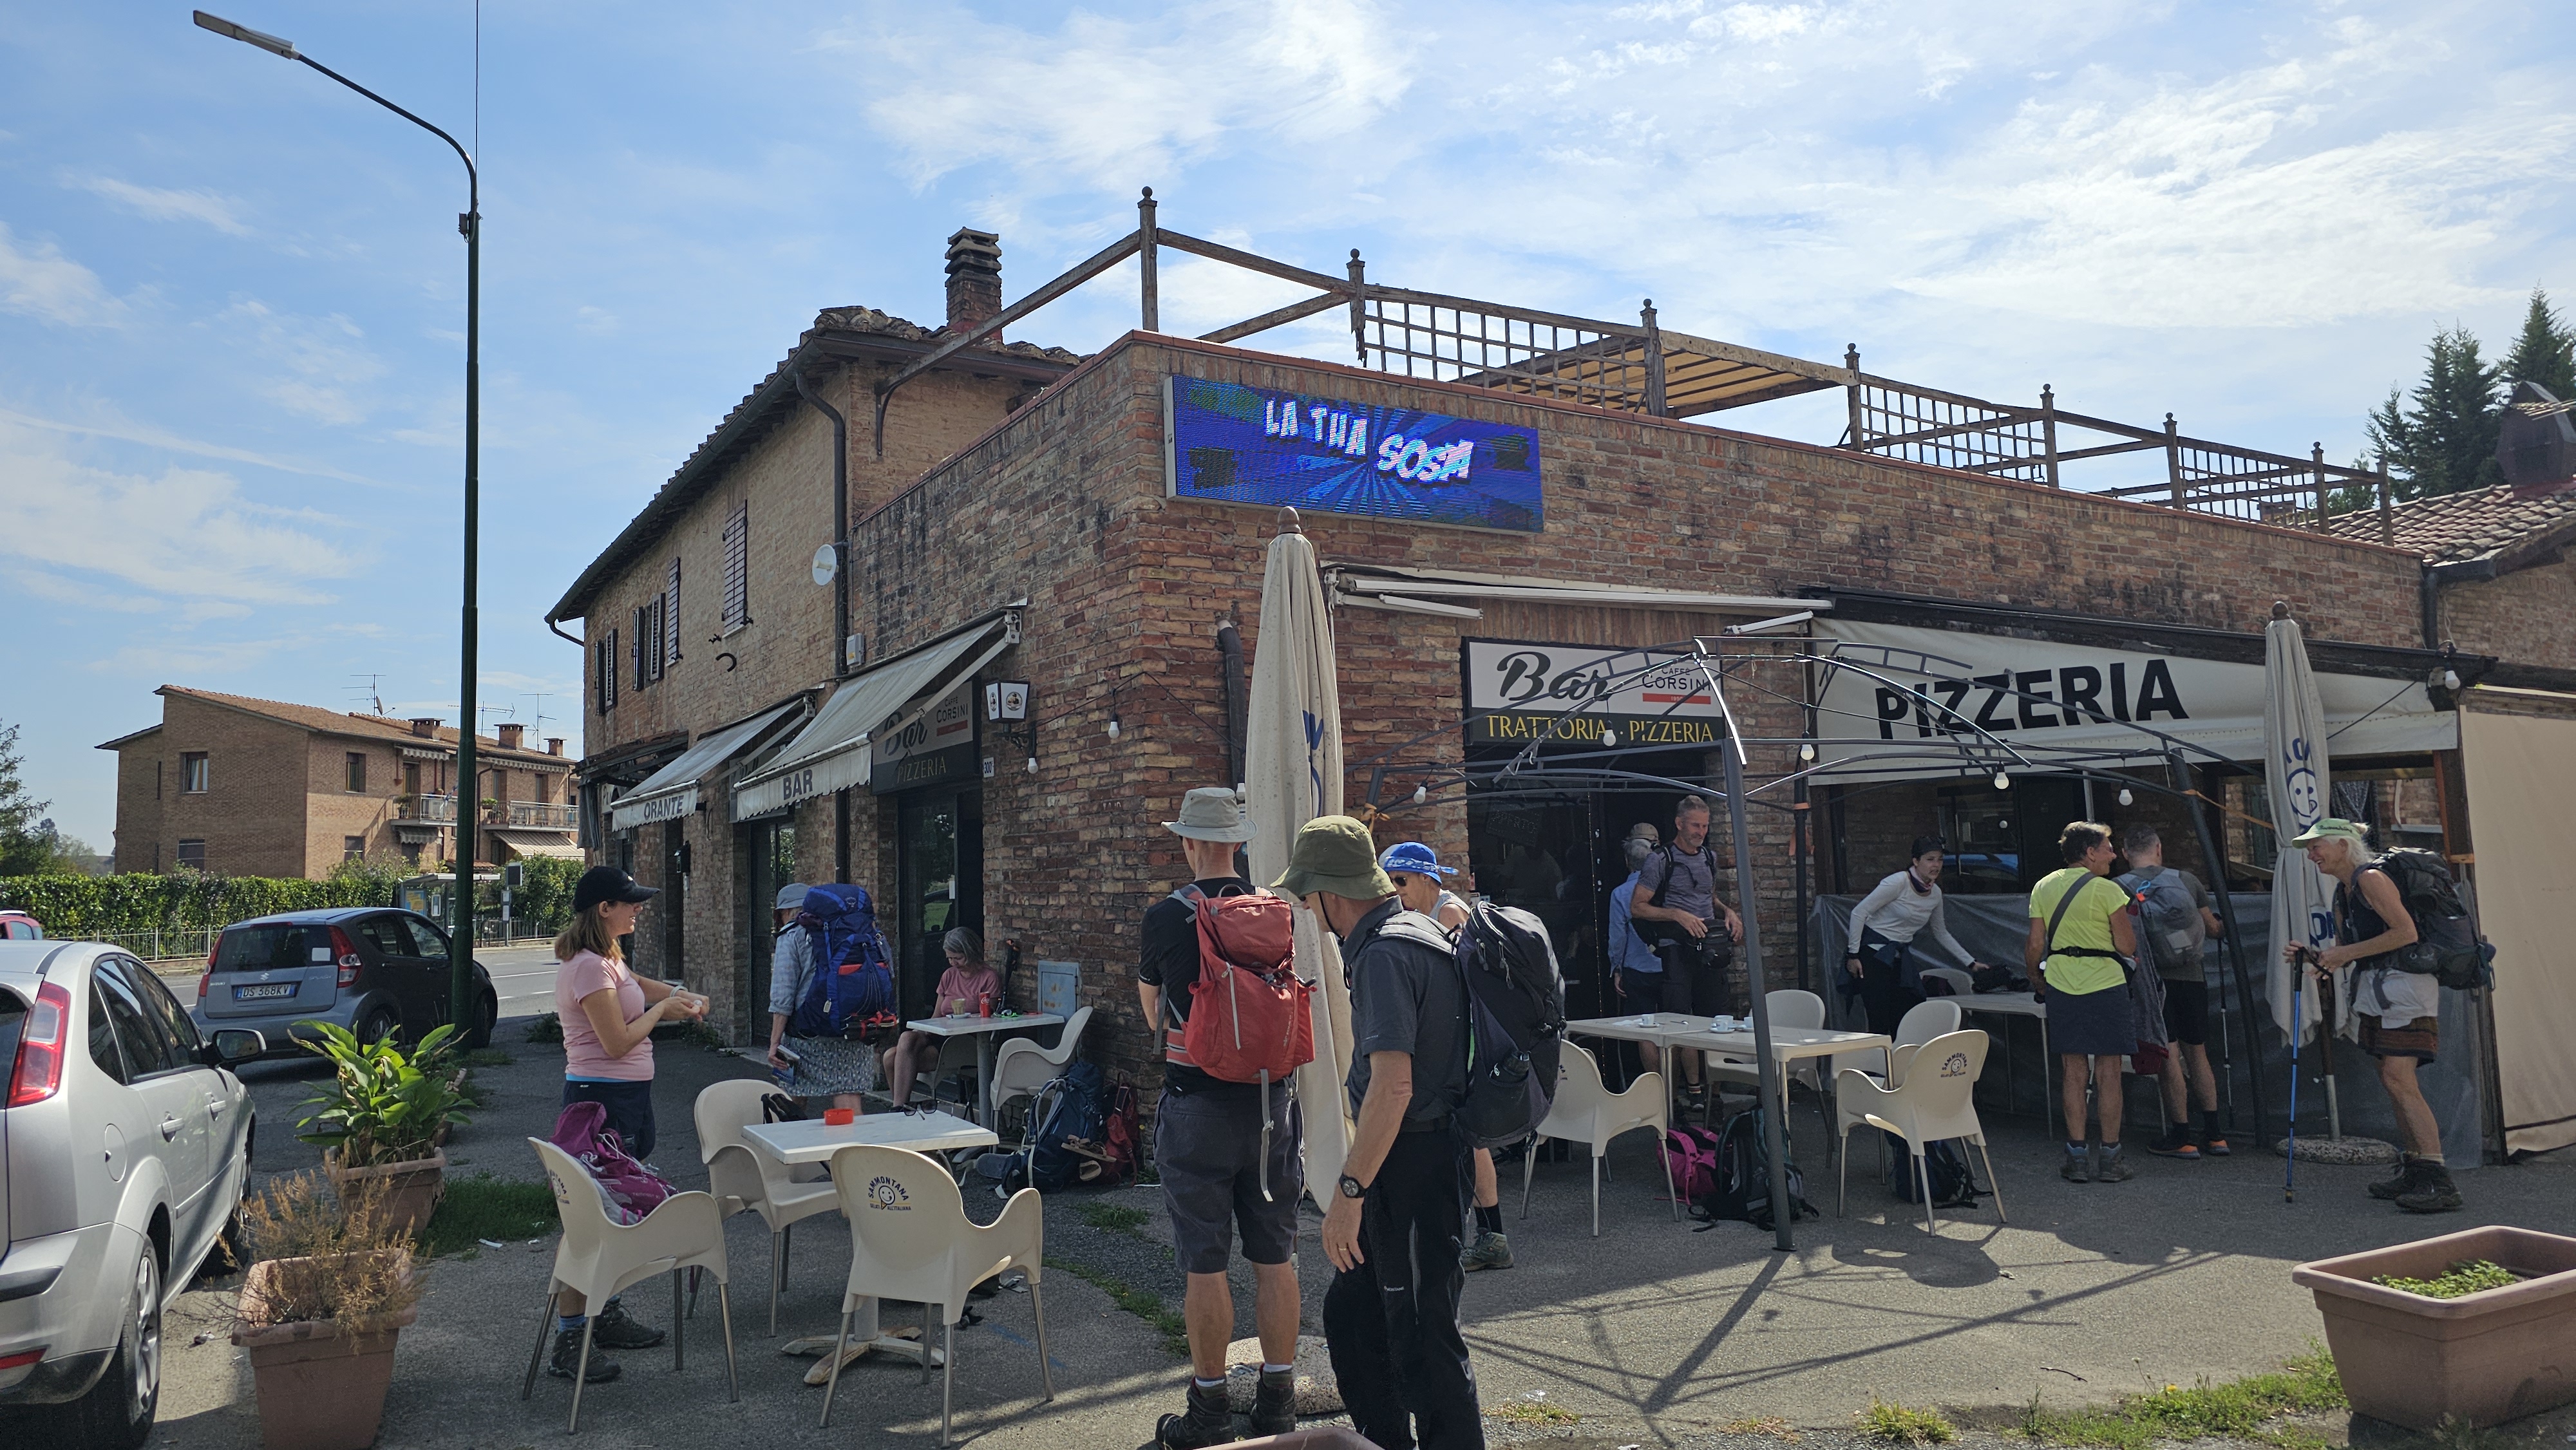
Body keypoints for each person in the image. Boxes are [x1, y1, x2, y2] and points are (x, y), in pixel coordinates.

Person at [1286, 816, 1482, 1450]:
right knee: (1356, 1316)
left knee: (1425, 1338)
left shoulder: (1383, 953)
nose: (1306, 909)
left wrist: (1349, 1193)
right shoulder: (1418, 928)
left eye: (1306, 894)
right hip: (1424, 1151)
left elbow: (1393, 1087)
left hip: (1413, 1159)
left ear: (1330, 891)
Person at [1139, 787, 1303, 1449]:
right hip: (1271, 1105)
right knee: (1276, 1256)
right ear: (1239, 841)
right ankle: (1279, 1404)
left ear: (1187, 842)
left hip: (1197, 1107)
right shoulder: (1275, 910)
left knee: (1204, 1265)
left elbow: (1154, 1015)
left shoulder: (1165, 916)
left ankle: (1208, 1411)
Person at [548, 865, 708, 1382]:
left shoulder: (610, 959)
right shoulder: (589, 969)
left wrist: (682, 995)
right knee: (589, 1223)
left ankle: (606, 1315)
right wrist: (664, 1013)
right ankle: (570, 1340)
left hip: (625, 1101)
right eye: (630, 902)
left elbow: (641, 986)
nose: (638, 908)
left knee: (614, 1215)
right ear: (604, 909)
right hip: (600, 1103)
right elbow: (617, 1042)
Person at [2282, 818, 2459, 1213]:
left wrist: (2343, 954)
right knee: (2392, 1080)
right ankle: (2416, 1168)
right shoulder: (2344, 892)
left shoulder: (2371, 879)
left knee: (2399, 1079)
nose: (2311, 856)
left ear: (2343, 846)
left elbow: (2406, 933)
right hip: (2378, 990)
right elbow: (2350, 950)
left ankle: (2438, 1178)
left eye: (2316, 847)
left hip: (2406, 988)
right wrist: (2315, 957)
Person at [1382, 842, 1510, 1277]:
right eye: (1390, 883)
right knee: (1463, 1139)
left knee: (1468, 1138)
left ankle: (1492, 1237)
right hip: (1451, 1042)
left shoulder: (1449, 914)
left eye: (1401, 881)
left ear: (1426, 878)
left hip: (1465, 1044)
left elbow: (1461, 989)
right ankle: (1485, 1234)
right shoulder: (1421, 913)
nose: (1396, 891)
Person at [2023, 823, 2140, 1184]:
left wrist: (2036, 978)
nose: (2113, 855)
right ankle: (2111, 1158)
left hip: (2061, 982)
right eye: (2108, 848)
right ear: (2090, 853)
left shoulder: (2043, 886)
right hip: (2106, 984)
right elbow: (2127, 946)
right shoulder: (2109, 890)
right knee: (2109, 1072)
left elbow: (2035, 944)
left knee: (2073, 1072)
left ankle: (2076, 1158)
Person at [2115, 826, 2230, 1160]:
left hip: (2152, 984)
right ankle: (2216, 1135)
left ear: (2125, 853)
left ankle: (2181, 1136)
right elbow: (2212, 929)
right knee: (2198, 1054)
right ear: (2159, 848)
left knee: (2169, 1057)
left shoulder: (2117, 887)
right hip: (2193, 978)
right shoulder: (2187, 881)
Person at [1627, 795, 1745, 1105]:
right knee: (1679, 1025)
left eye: (1705, 826)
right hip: (1677, 950)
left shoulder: (1709, 857)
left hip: (1709, 949)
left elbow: (1708, 898)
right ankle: (1674, 1099)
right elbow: (1638, 907)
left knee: (1717, 1023)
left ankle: (1713, 1099)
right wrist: (1677, 914)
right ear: (1679, 824)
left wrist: (1728, 912)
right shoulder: (1660, 859)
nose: (1701, 832)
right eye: (1695, 825)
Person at [1844, 834, 1990, 1038]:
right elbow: (1859, 913)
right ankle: (1878, 1059)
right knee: (1879, 1019)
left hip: (1900, 957)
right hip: (1874, 955)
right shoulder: (1898, 882)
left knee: (1905, 1015)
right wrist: (1853, 955)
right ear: (1916, 861)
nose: (1936, 865)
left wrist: (1971, 963)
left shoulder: (1935, 893)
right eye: (1930, 859)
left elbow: (1940, 932)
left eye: (1939, 860)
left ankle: (1903, 1057)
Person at [763, 883, 875, 1112]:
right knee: (847, 1092)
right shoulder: (856, 930)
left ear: (785, 912)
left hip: (809, 1031)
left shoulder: (792, 934)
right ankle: (853, 1138)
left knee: (793, 1094)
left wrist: (775, 1042)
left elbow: (783, 995)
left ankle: (792, 1135)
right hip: (853, 1026)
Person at [887, 928, 999, 1108]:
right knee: (906, 1038)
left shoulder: (988, 977)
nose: (953, 963)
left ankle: (901, 1110)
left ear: (970, 952)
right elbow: (937, 1015)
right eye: (949, 958)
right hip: (940, 1034)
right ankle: (900, 1108)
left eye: (958, 958)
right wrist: (923, 1030)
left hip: (963, 1040)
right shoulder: (949, 975)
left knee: (891, 1058)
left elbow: (989, 1016)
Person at [1605, 825, 1662, 1057]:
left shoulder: (1620, 893)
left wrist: (1617, 968)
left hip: (1637, 969)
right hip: (1669, 966)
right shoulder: (1665, 887)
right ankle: (1676, 1079)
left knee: (1644, 1029)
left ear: (1627, 862)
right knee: (1676, 1026)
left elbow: (1618, 937)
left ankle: (1655, 1078)